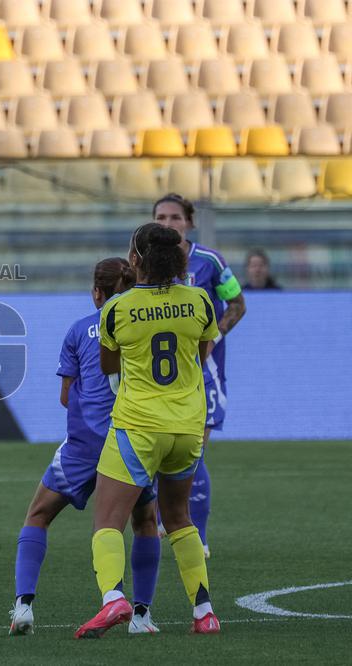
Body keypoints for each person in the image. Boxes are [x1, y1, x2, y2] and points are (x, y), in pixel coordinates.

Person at [75, 223, 220, 638]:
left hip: (138, 427)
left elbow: (108, 365)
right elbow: (200, 352)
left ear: (135, 259)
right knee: (179, 517)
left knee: (108, 520)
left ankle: (112, 598)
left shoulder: (117, 309)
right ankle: (204, 611)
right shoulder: (199, 300)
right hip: (187, 427)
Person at [10, 258, 163, 637]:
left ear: (97, 292)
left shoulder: (79, 330)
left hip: (83, 446)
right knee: (144, 522)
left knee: (38, 515)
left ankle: (23, 607)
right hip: (131, 440)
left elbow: (66, 396)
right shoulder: (143, 328)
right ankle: (142, 615)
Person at [153, 194, 246, 557]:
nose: (167, 223)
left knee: (193, 453)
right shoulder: (144, 264)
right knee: (161, 453)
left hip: (203, 373)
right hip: (159, 376)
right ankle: (163, 523)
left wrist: (214, 336)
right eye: (160, 216)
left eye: (175, 217)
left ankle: (199, 536)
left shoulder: (209, 262)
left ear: (189, 222)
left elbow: (237, 304)